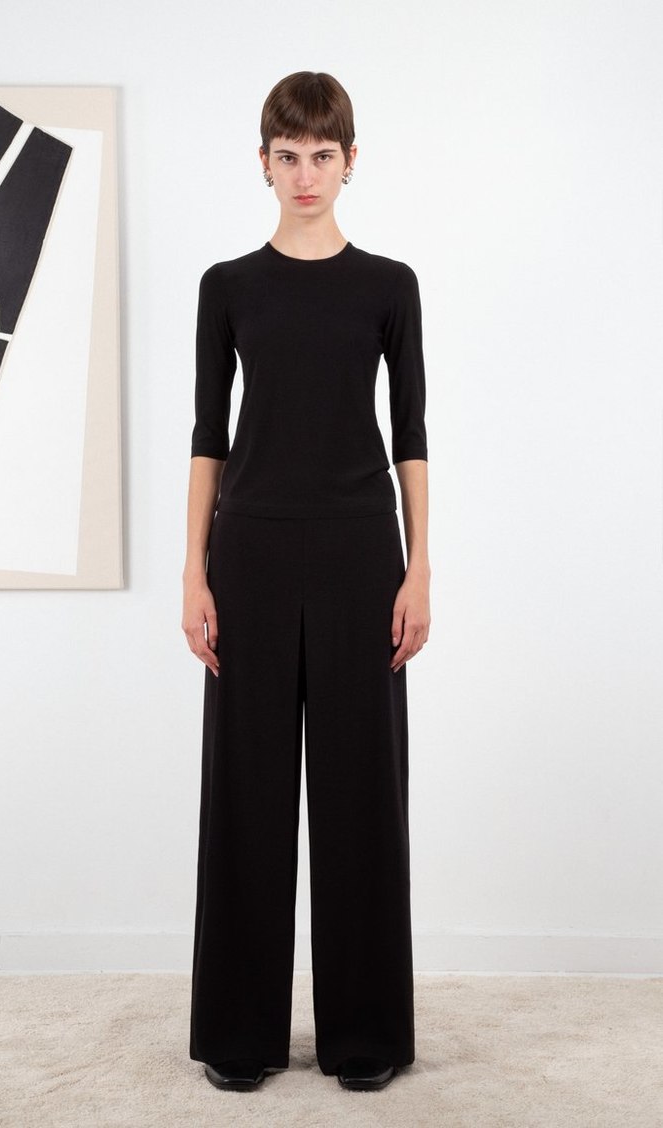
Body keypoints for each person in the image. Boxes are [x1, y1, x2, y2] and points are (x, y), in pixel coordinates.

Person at [182, 70, 430, 1094]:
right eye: (287, 156)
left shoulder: (389, 286)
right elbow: (207, 435)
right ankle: (238, 1038)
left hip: (362, 553)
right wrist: (193, 570)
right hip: (248, 552)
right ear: (263, 162)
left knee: (361, 791)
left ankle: (364, 1036)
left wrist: (420, 567)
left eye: (322, 156)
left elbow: (410, 434)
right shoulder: (228, 287)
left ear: (350, 161)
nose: (305, 175)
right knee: (245, 791)